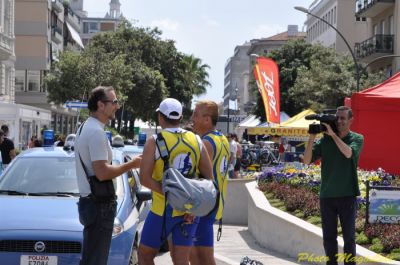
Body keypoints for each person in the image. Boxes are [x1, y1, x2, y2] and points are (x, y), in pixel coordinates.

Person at [138, 98, 213, 265]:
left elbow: (144, 178)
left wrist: (171, 195)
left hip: (161, 210)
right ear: (180, 118)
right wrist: (192, 206)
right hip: (189, 212)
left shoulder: (154, 141)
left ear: (160, 117)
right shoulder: (196, 140)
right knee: (180, 260)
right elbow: (209, 180)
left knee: (144, 255)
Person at [74, 86, 141, 265]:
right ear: (101, 105)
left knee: (91, 258)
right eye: (114, 102)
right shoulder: (95, 131)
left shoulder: (86, 127)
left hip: (91, 203)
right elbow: (102, 173)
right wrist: (132, 164)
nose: (117, 106)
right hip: (99, 205)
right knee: (96, 260)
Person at [303, 106, 364, 265]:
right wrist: (311, 138)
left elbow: (349, 153)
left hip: (347, 195)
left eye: (343, 118)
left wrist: (333, 136)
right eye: (337, 118)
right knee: (329, 238)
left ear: (351, 120)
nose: (339, 121)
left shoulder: (356, 138)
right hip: (327, 196)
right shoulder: (325, 141)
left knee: (349, 238)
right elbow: (307, 161)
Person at [190, 100, 230, 265]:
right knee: (201, 256)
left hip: (203, 207)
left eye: (196, 114)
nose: (192, 118)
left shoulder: (206, 143)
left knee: (199, 257)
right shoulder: (223, 139)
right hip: (214, 205)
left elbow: (200, 179)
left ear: (207, 120)